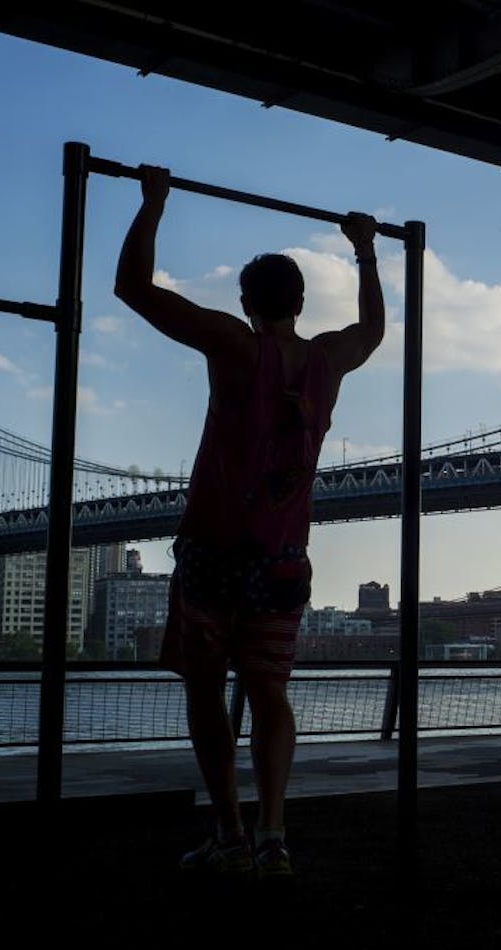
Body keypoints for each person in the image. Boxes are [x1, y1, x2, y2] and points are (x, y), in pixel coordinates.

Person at [115, 165, 384, 877]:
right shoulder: (327, 359)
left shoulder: (235, 346)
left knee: (204, 691)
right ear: (300, 302)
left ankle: (229, 832)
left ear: (245, 300)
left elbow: (133, 289)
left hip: (213, 555)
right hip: (284, 559)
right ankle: (273, 836)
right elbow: (376, 329)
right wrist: (366, 250)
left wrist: (153, 204)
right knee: (271, 693)